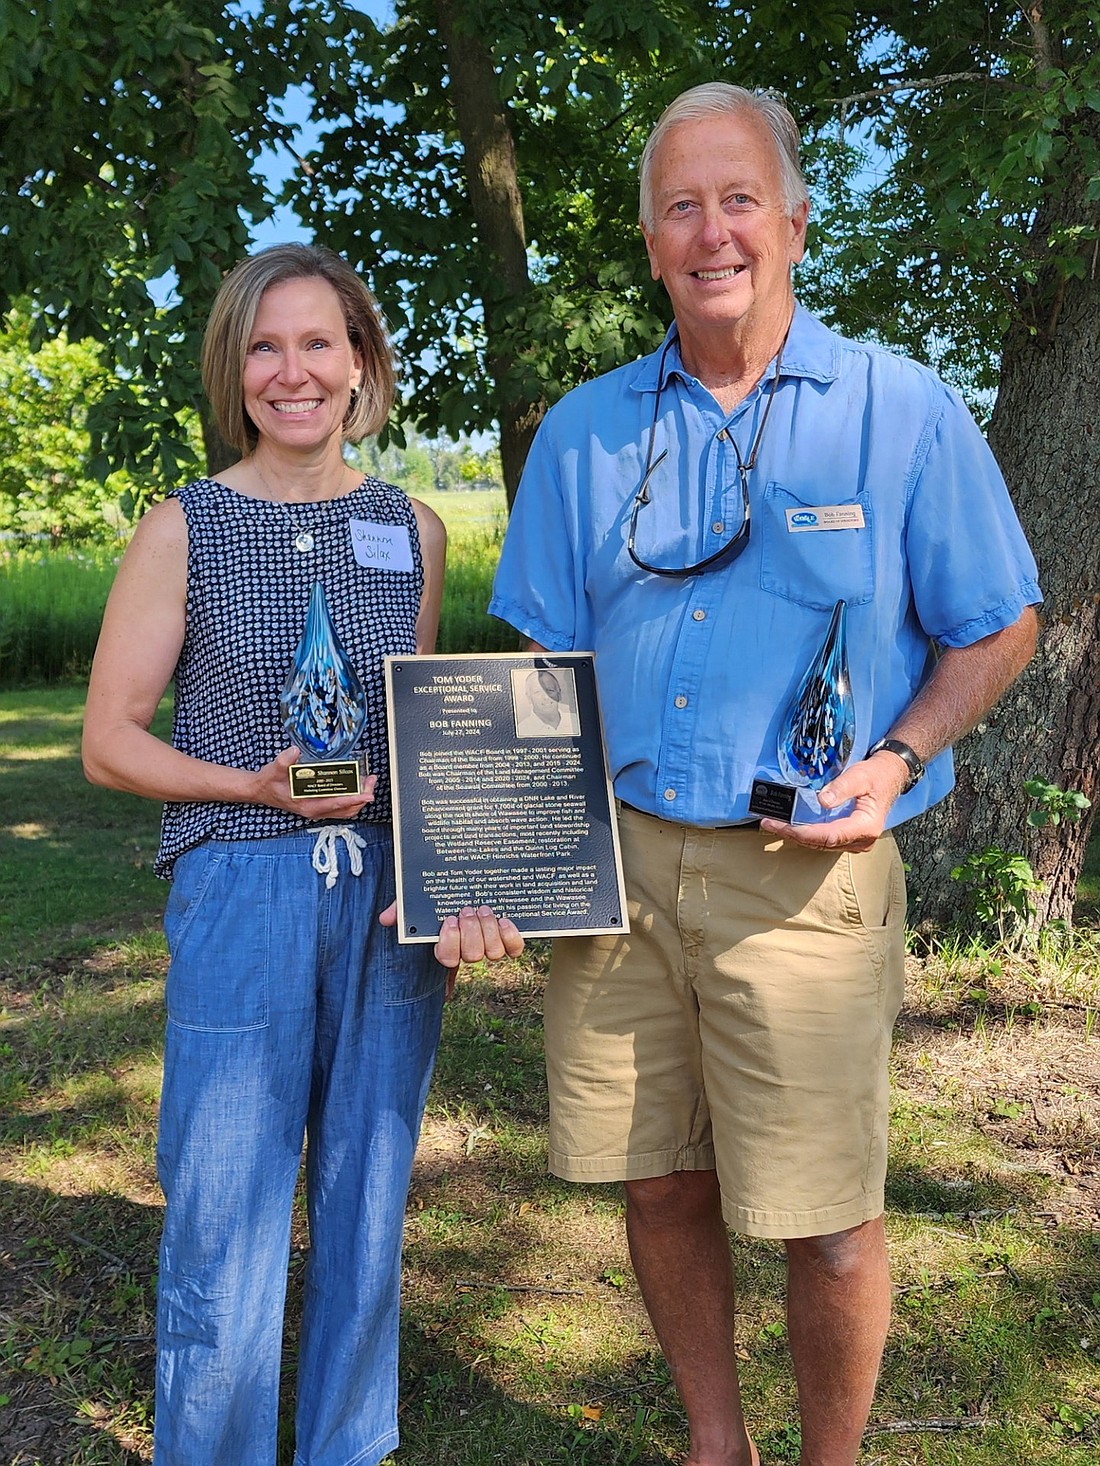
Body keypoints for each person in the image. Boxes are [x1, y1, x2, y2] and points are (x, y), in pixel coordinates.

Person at [488, 83, 1040, 1466]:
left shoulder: (899, 408)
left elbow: (1002, 617)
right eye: (681, 205)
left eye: (739, 200)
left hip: (806, 879)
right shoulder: (586, 431)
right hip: (615, 867)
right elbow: (539, 666)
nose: (712, 230)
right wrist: (497, 856)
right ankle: (716, 1444)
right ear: (649, 237)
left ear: (793, 220)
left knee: (829, 1214)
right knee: (658, 1180)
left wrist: (904, 752)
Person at [82, 242, 523, 1466]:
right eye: (266, 346)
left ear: (360, 361)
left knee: (366, 1199)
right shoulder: (186, 524)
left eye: (318, 342)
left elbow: (423, 734)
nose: (293, 370)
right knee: (224, 1202)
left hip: (386, 896)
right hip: (241, 881)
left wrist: (460, 875)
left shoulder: (412, 529)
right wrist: (250, 785)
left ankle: (345, 1443)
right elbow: (109, 741)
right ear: (236, 369)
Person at [515, 668, 580, 737]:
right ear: (529, 698)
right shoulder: (522, 730)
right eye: (538, 692)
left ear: (559, 694)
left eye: (550, 690)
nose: (546, 697)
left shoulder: (576, 722)